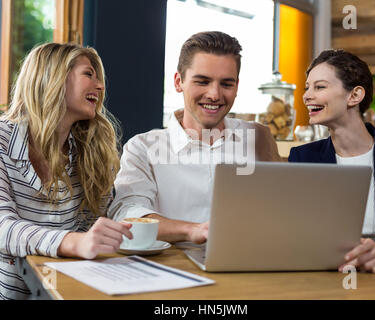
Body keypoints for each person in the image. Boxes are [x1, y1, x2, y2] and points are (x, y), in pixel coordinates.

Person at [0, 43, 133, 299]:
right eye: (89, 74)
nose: (101, 86)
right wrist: (72, 242)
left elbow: (92, 231)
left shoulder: (90, 152)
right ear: (54, 78)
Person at [108, 31, 280, 244]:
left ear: (237, 86)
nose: (215, 94)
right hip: (174, 268)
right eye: (203, 81)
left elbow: (281, 211)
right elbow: (128, 214)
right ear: (178, 82)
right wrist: (193, 231)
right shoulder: (143, 147)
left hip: (247, 264)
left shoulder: (257, 137)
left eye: (226, 84)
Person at [288, 49, 375, 272]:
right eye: (307, 88)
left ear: (355, 95)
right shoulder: (303, 157)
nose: (306, 96)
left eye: (319, 87)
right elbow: (297, 230)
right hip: (326, 274)